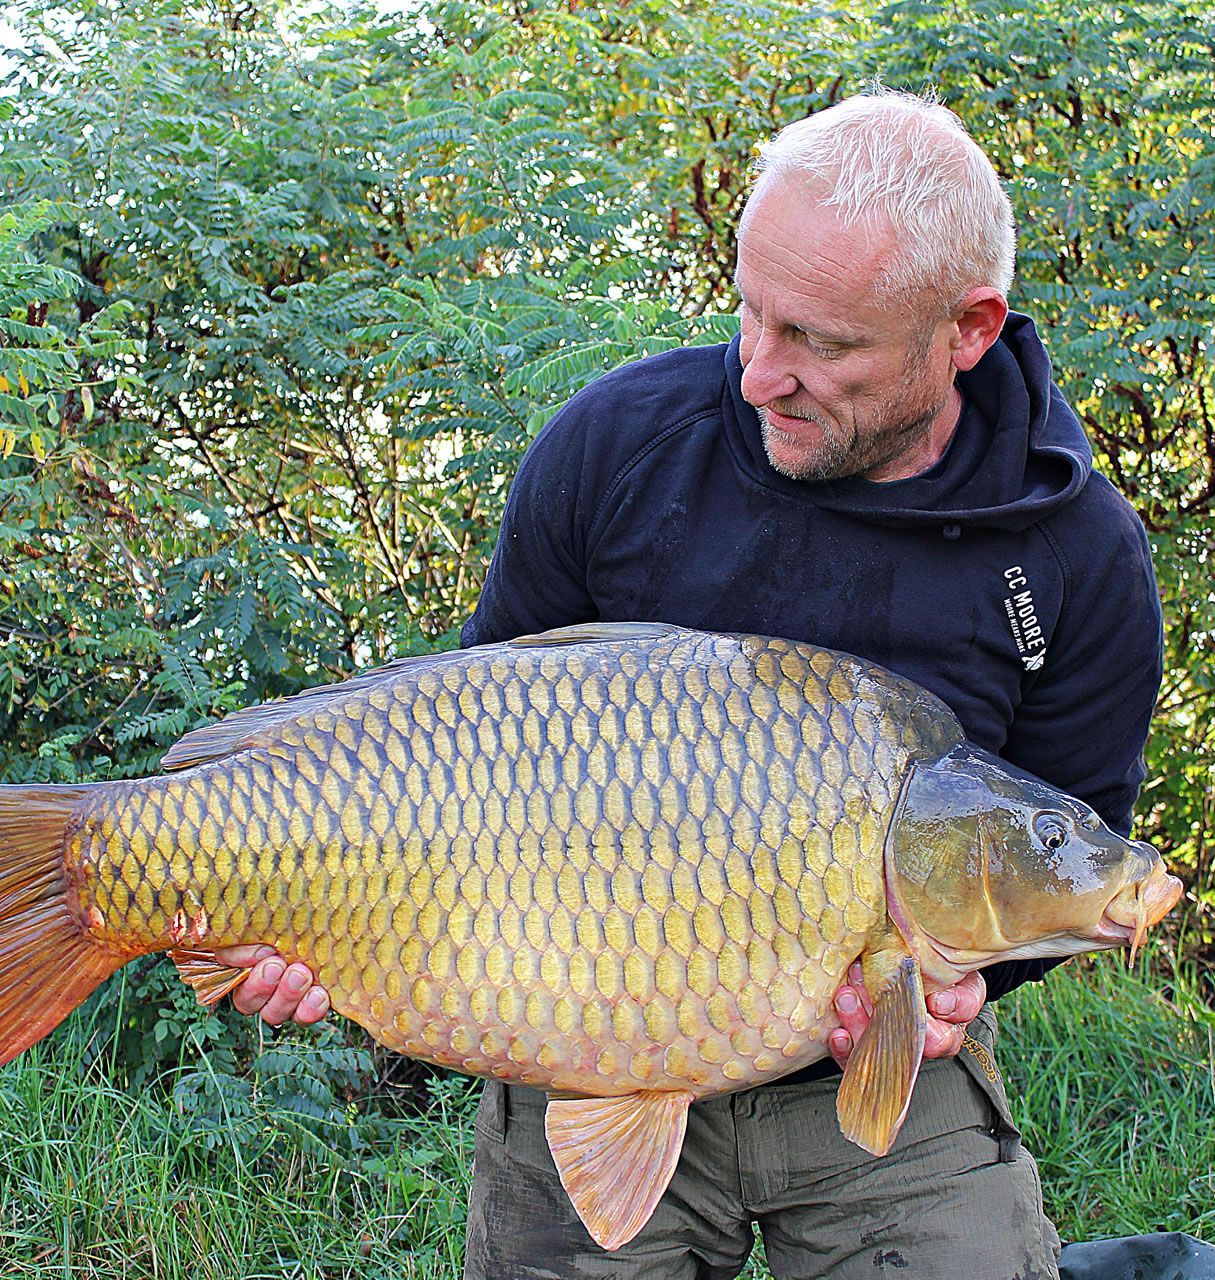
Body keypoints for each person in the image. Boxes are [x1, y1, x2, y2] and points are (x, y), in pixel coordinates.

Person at [225, 90, 1165, 1279]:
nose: (761, 372)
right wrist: (302, 906)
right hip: (578, 1023)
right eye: (751, 316)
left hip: (877, 1064)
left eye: (821, 344)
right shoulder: (616, 444)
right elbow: (446, 749)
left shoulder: (1078, 555)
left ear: (967, 329)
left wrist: (960, 993)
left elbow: (1052, 855)